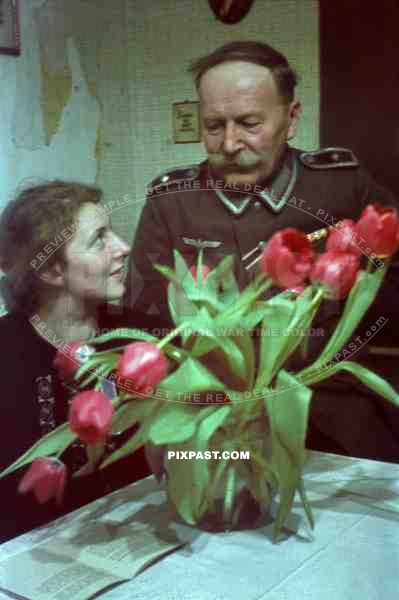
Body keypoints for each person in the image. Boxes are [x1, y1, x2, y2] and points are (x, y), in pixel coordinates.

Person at [124, 40, 399, 462]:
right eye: (214, 126)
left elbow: (391, 277)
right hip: (214, 422)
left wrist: (329, 294)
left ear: (290, 119)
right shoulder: (171, 200)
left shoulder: (340, 184)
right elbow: (145, 314)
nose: (230, 143)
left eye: (249, 123)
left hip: (330, 412)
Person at [0, 181, 165, 542]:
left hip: (139, 541)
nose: (122, 248)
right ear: (51, 271)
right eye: (99, 239)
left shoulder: (145, 340)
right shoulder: (6, 353)